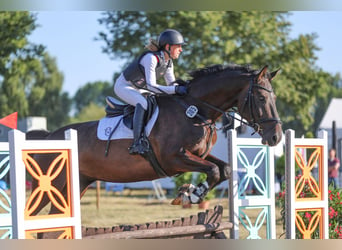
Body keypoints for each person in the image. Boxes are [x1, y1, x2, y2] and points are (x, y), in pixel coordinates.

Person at [114, 29, 188, 155]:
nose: (181, 49)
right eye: (178, 46)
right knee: (143, 103)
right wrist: (175, 89)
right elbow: (152, 86)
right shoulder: (151, 58)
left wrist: (184, 88)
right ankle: (137, 143)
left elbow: (171, 84)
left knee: (161, 102)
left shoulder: (169, 62)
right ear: (168, 47)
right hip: (124, 86)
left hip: (140, 88)